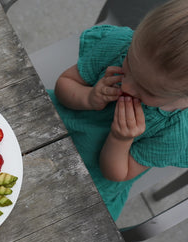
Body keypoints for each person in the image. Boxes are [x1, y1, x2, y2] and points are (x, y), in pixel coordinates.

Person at [49, 0, 188, 220]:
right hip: (51, 126)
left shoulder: (175, 133)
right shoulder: (118, 45)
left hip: (87, 181)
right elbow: (65, 84)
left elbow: (117, 174)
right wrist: (88, 97)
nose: (127, 86)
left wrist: (120, 139)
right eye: (129, 64)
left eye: (146, 89)